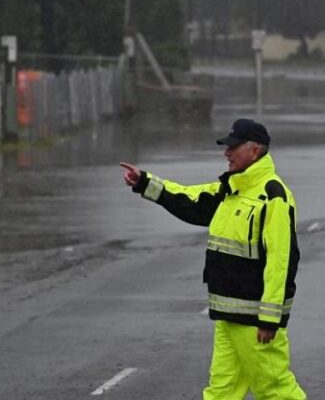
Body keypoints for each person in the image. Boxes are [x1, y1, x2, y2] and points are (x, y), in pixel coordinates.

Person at [120, 118, 306, 400]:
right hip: (228, 315)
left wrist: (270, 317)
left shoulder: (273, 196)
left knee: (275, 390)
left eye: (233, 147)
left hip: (255, 320)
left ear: (254, 151)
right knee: (222, 392)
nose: (226, 153)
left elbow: (281, 261)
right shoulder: (230, 190)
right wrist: (146, 183)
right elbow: (189, 198)